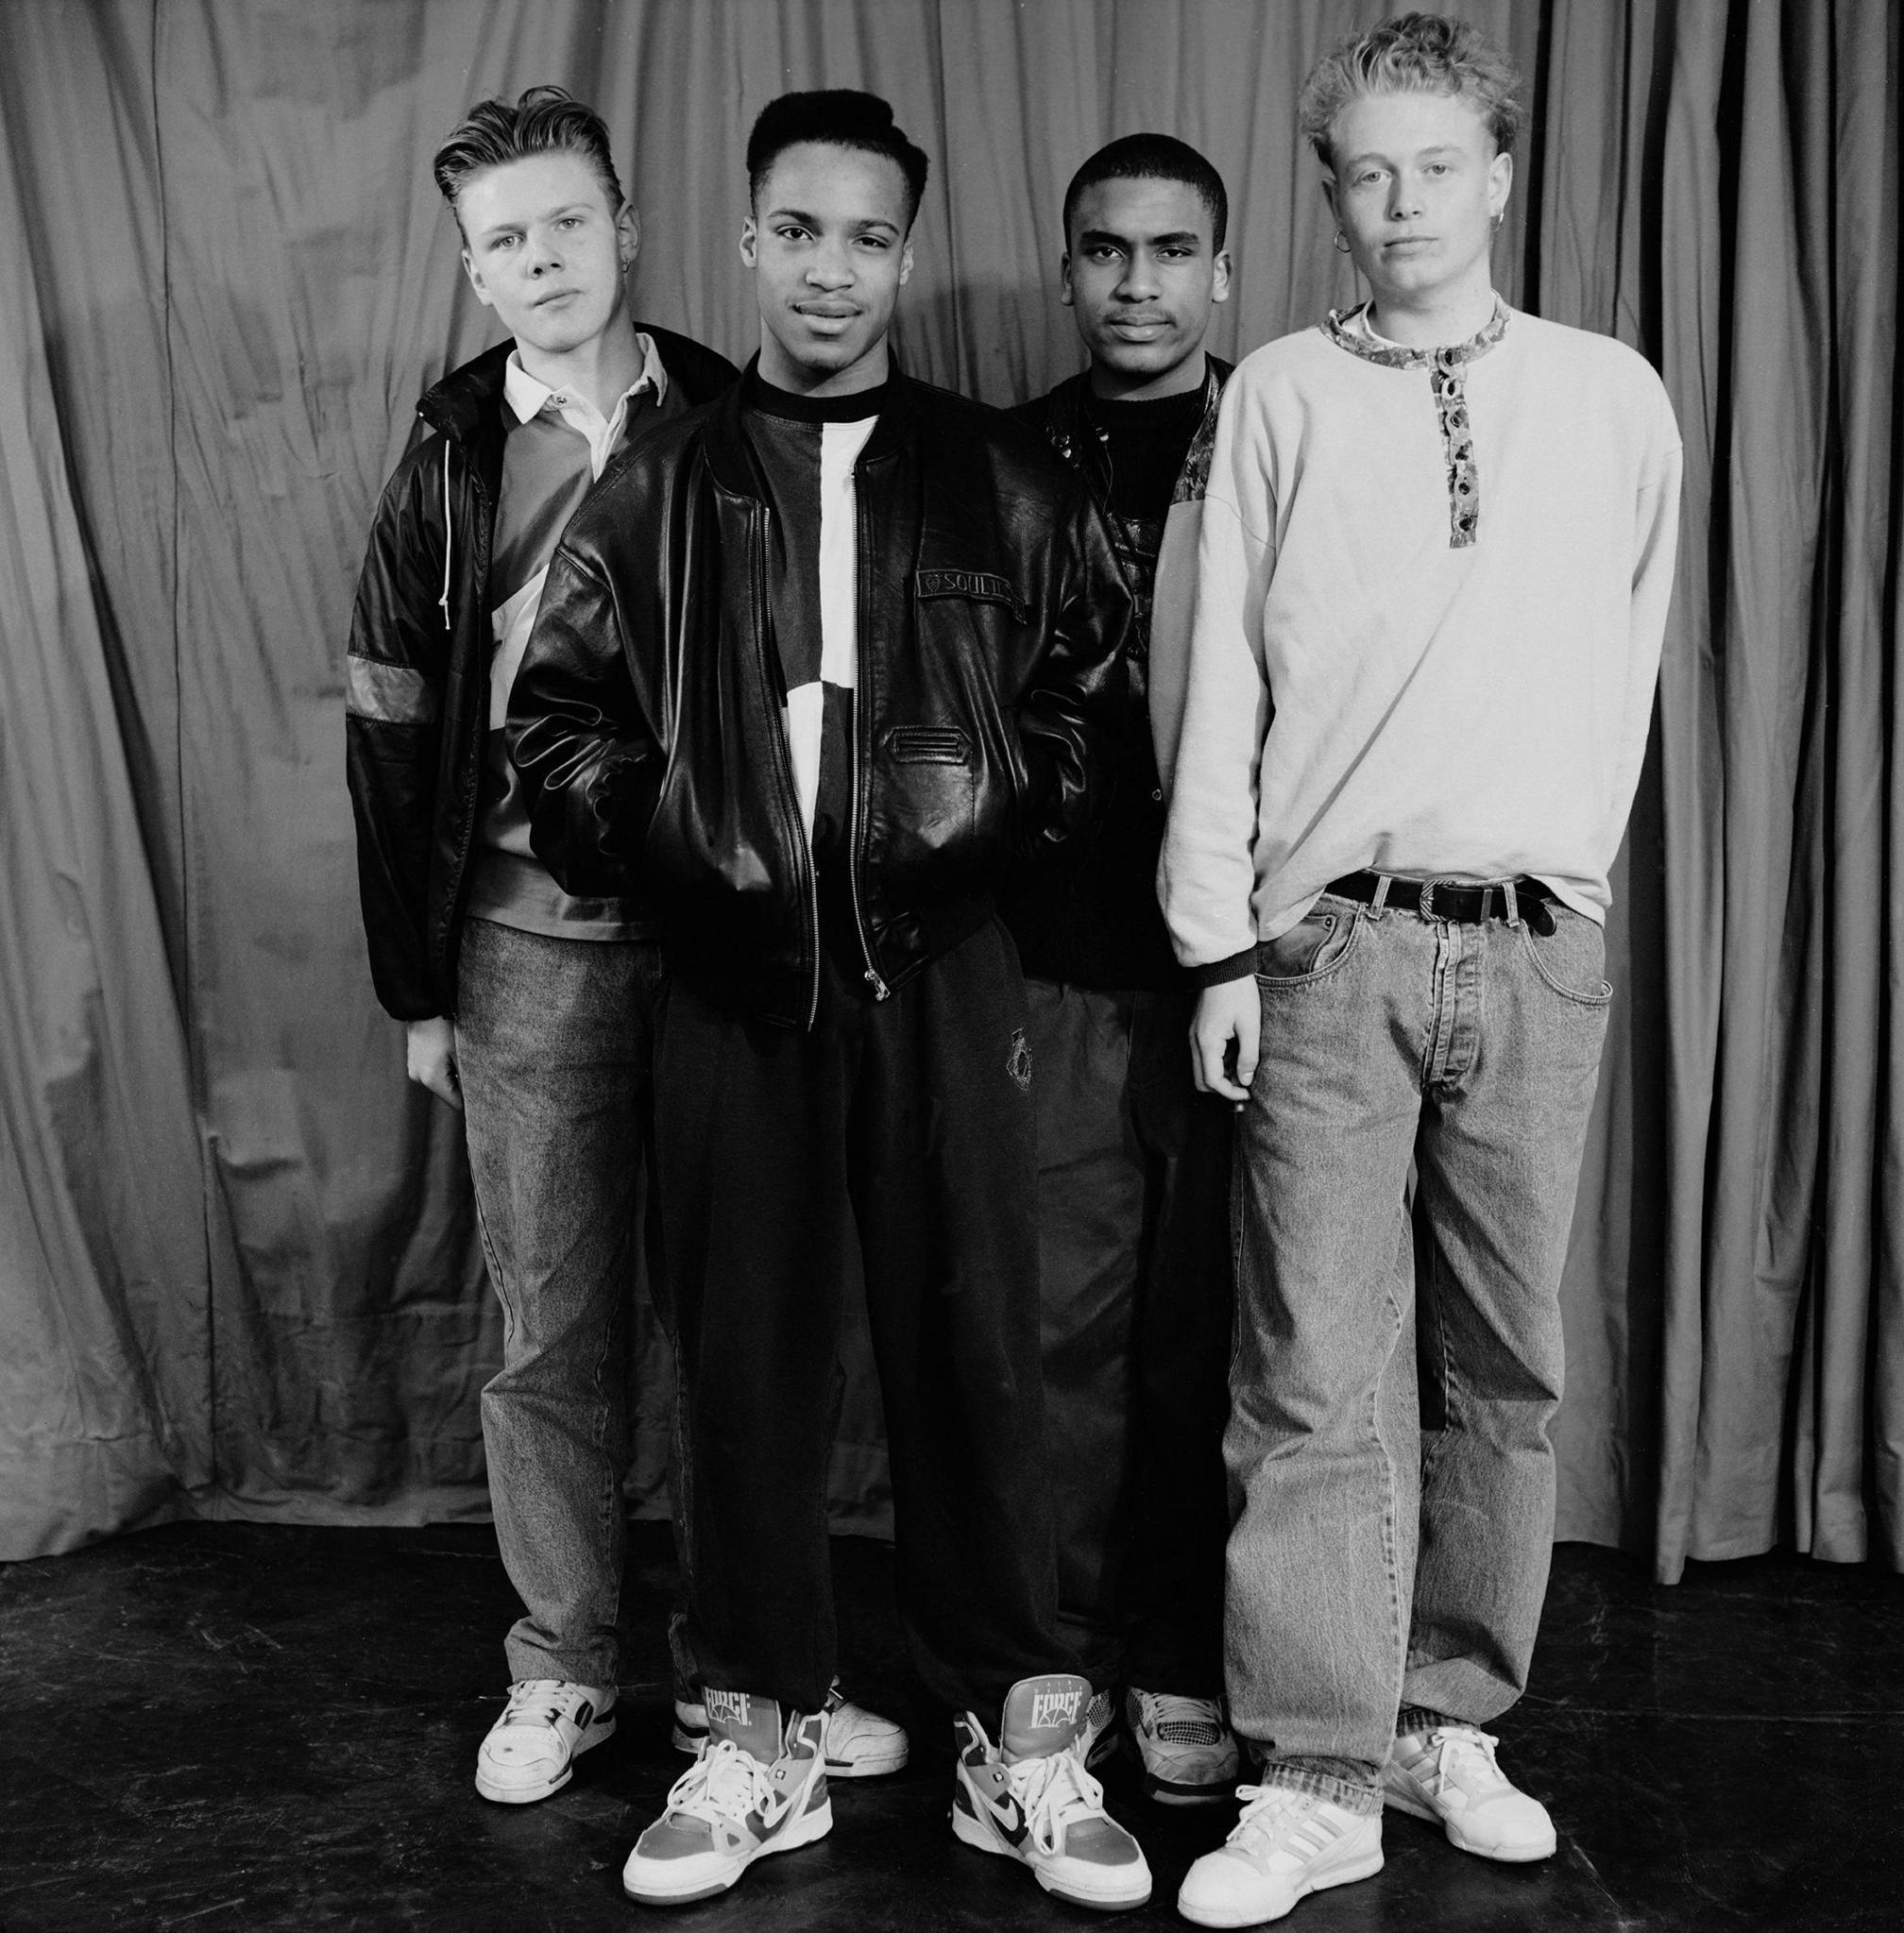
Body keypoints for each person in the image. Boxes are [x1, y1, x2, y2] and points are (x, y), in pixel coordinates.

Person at [508, 90, 1150, 1911]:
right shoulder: (659, 481)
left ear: (907, 253)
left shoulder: (1004, 477)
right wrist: (694, 835)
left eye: (870, 236)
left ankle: (1015, 1735)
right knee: (750, 1361)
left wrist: (972, 818)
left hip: (948, 976)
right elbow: (553, 723)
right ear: (744, 243)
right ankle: (755, 1733)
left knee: (975, 1357)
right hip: (731, 984)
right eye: (799, 232)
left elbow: (1088, 710)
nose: (832, 271)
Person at [1153, 16, 1682, 1925]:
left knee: (1504, 1366)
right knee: (1307, 1364)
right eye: (1365, 173)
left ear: (1496, 172)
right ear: (1331, 191)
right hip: (1327, 944)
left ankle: (1446, 1715)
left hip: (1533, 949)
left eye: (1435, 166)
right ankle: (1312, 1769)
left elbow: (1622, 658)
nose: (1400, 205)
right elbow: (1222, 675)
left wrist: (1574, 885)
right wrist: (1217, 938)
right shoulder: (1281, 394)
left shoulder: (1612, 396)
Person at [343, 84, 903, 1813]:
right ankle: (565, 1666)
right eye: (504, 241)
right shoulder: (449, 452)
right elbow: (387, 722)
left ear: (630, 232)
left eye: (567, 224)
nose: (542, 260)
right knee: (554, 1322)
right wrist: (417, 984)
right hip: (526, 950)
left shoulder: (741, 418)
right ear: (473, 271)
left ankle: (757, 1688)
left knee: (750, 1324)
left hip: (730, 931)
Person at [1004, 133, 1240, 1806]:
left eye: (1172, 252)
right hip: (1064, 968)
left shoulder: (1290, 430)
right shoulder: (1004, 459)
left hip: (1253, 965)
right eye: (1110, 252)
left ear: (1221, 269)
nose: (1139, 284)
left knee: (1221, 1339)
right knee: (1063, 1334)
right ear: (1069, 268)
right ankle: (1072, 1655)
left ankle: (1188, 1653)